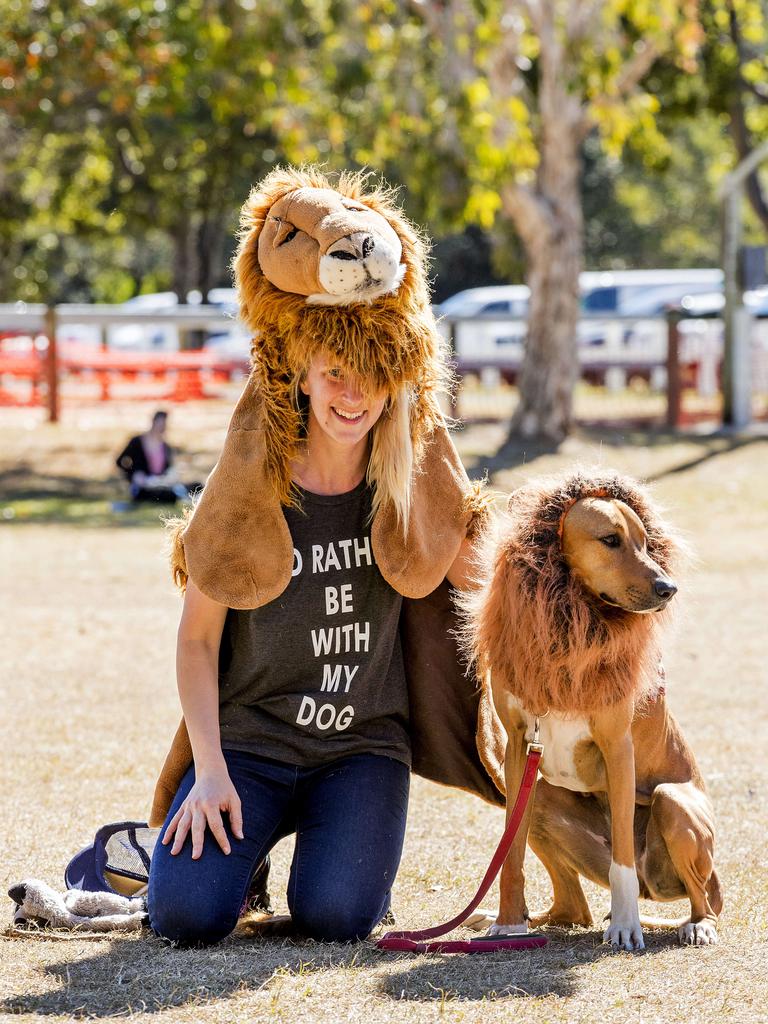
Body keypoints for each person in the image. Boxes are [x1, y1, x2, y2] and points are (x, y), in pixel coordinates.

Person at [144, 168, 502, 949]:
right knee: (186, 918)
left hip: (362, 747)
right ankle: (174, 854)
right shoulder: (252, 484)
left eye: (371, 377)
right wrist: (207, 771)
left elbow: (486, 587)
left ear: (396, 382)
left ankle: (322, 852)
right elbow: (197, 639)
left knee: (337, 920)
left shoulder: (407, 482)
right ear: (300, 374)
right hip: (251, 745)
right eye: (333, 373)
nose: (351, 394)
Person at [115, 410, 200, 504]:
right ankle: (181, 497)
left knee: (198, 486)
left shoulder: (165, 446)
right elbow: (119, 461)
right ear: (153, 421)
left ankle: (185, 496)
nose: (162, 426)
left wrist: (172, 475)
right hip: (144, 486)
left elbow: (167, 469)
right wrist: (133, 475)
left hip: (161, 483)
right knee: (166, 495)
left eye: (164, 424)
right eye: (160, 423)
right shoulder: (137, 441)